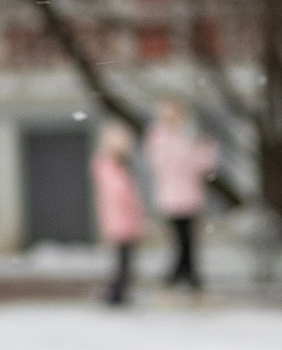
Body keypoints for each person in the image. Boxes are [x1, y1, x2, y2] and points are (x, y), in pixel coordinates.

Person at [146, 96, 218, 295]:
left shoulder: (187, 136)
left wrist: (205, 148)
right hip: (171, 199)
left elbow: (202, 166)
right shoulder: (160, 137)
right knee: (182, 242)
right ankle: (180, 278)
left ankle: (185, 278)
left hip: (191, 198)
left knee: (189, 242)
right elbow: (167, 163)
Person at [93, 114, 149, 304]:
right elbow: (120, 194)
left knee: (125, 260)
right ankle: (117, 292)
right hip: (119, 220)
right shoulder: (109, 167)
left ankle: (119, 291)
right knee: (123, 260)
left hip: (125, 220)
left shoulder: (120, 167)